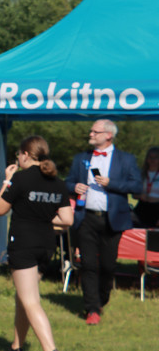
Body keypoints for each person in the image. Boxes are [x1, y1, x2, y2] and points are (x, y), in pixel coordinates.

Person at [0, 135, 74, 351]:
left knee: (30, 300)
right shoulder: (57, 181)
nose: (18, 158)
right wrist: (44, 219)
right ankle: (16, 347)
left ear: (26, 154)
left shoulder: (20, 178)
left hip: (24, 244)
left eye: (18, 154)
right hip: (46, 245)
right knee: (23, 297)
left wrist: (7, 181)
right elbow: (67, 219)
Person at [65, 119, 142, 325]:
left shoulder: (126, 159)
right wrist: (75, 187)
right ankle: (91, 309)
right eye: (91, 131)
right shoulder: (81, 158)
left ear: (108, 135)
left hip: (112, 220)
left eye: (94, 132)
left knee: (108, 266)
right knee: (88, 264)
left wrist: (112, 183)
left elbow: (137, 186)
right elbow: (68, 181)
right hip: (86, 217)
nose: (90, 134)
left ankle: (101, 300)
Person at [134, 146, 159, 228]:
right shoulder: (141, 174)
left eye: (156, 157)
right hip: (142, 207)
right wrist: (140, 195)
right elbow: (134, 194)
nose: (152, 160)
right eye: (150, 157)